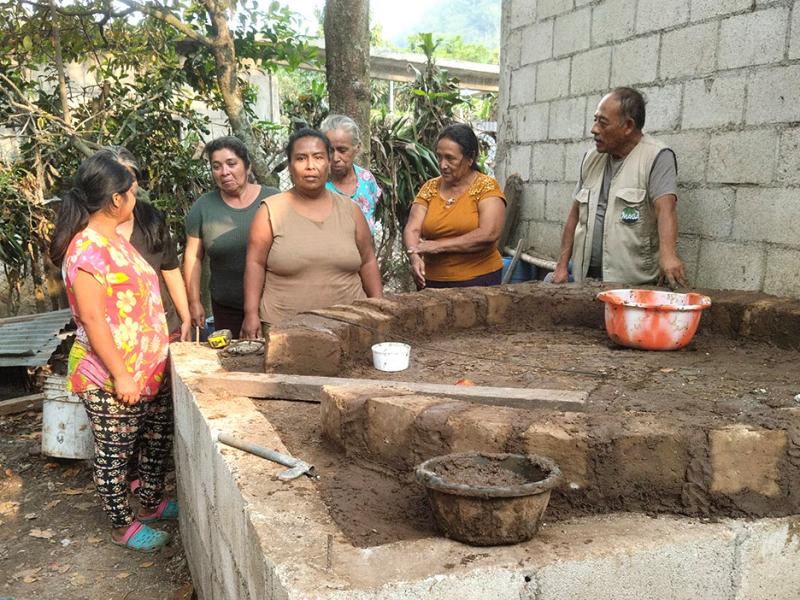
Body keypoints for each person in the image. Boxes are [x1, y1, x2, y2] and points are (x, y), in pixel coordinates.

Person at [49, 151, 176, 552]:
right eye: (131, 192)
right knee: (115, 454)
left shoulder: (115, 241)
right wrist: (121, 374)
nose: (136, 199)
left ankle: (152, 503)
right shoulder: (86, 250)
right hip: (109, 375)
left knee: (157, 439)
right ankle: (123, 525)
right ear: (116, 199)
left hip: (148, 368)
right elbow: (92, 319)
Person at [241, 127, 383, 341]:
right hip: (284, 331)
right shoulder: (270, 211)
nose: (310, 166)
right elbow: (255, 264)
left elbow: (368, 260)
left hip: (351, 327)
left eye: (318, 157)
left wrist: (379, 306)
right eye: (301, 158)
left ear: (328, 162)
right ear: (290, 166)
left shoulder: (351, 210)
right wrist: (250, 313)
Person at [106, 146, 190, 496]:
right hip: (117, 338)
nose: (128, 187)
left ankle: (150, 490)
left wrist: (185, 315)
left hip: (159, 329)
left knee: (159, 417)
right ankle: (128, 484)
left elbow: (170, 268)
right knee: (125, 419)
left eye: (132, 178)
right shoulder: (92, 229)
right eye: (120, 179)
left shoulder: (151, 218)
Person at [550, 87, 686, 287]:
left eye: (602, 122)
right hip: (585, 279)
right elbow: (574, 216)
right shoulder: (591, 158)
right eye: (595, 120)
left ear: (628, 126)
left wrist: (668, 255)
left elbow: (666, 210)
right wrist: (562, 266)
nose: (594, 129)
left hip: (632, 285)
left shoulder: (656, 156)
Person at [183, 136, 279, 337]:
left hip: (273, 306)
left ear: (248, 167)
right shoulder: (203, 207)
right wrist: (194, 301)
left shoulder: (274, 199)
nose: (224, 172)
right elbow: (193, 257)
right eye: (216, 167)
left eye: (231, 163)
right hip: (226, 309)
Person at [403, 123, 506, 289]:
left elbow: (489, 233)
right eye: (439, 157)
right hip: (431, 281)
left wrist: (439, 246)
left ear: (470, 158)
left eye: (450, 158)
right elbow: (412, 229)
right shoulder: (429, 188)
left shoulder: (486, 187)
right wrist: (414, 257)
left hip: (478, 280)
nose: (442, 165)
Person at [319, 114, 382, 236]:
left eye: (342, 150)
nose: (336, 158)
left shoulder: (367, 180)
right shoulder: (318, 185)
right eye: (330, 150)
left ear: (357, 148)